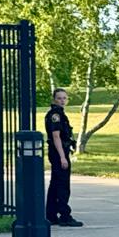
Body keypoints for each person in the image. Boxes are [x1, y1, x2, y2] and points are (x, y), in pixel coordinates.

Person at [45, 88, 83, 227]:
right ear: (54, 99)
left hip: (58, 151)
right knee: (62, 184)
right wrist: (62, 157)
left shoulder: (59, 113)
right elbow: (56, 136)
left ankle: (51, 215)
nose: (62, 100)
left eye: (64, 98)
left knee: (55, 184)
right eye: (59, 98)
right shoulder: (56, 115)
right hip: (58, 152)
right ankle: (64, 215)